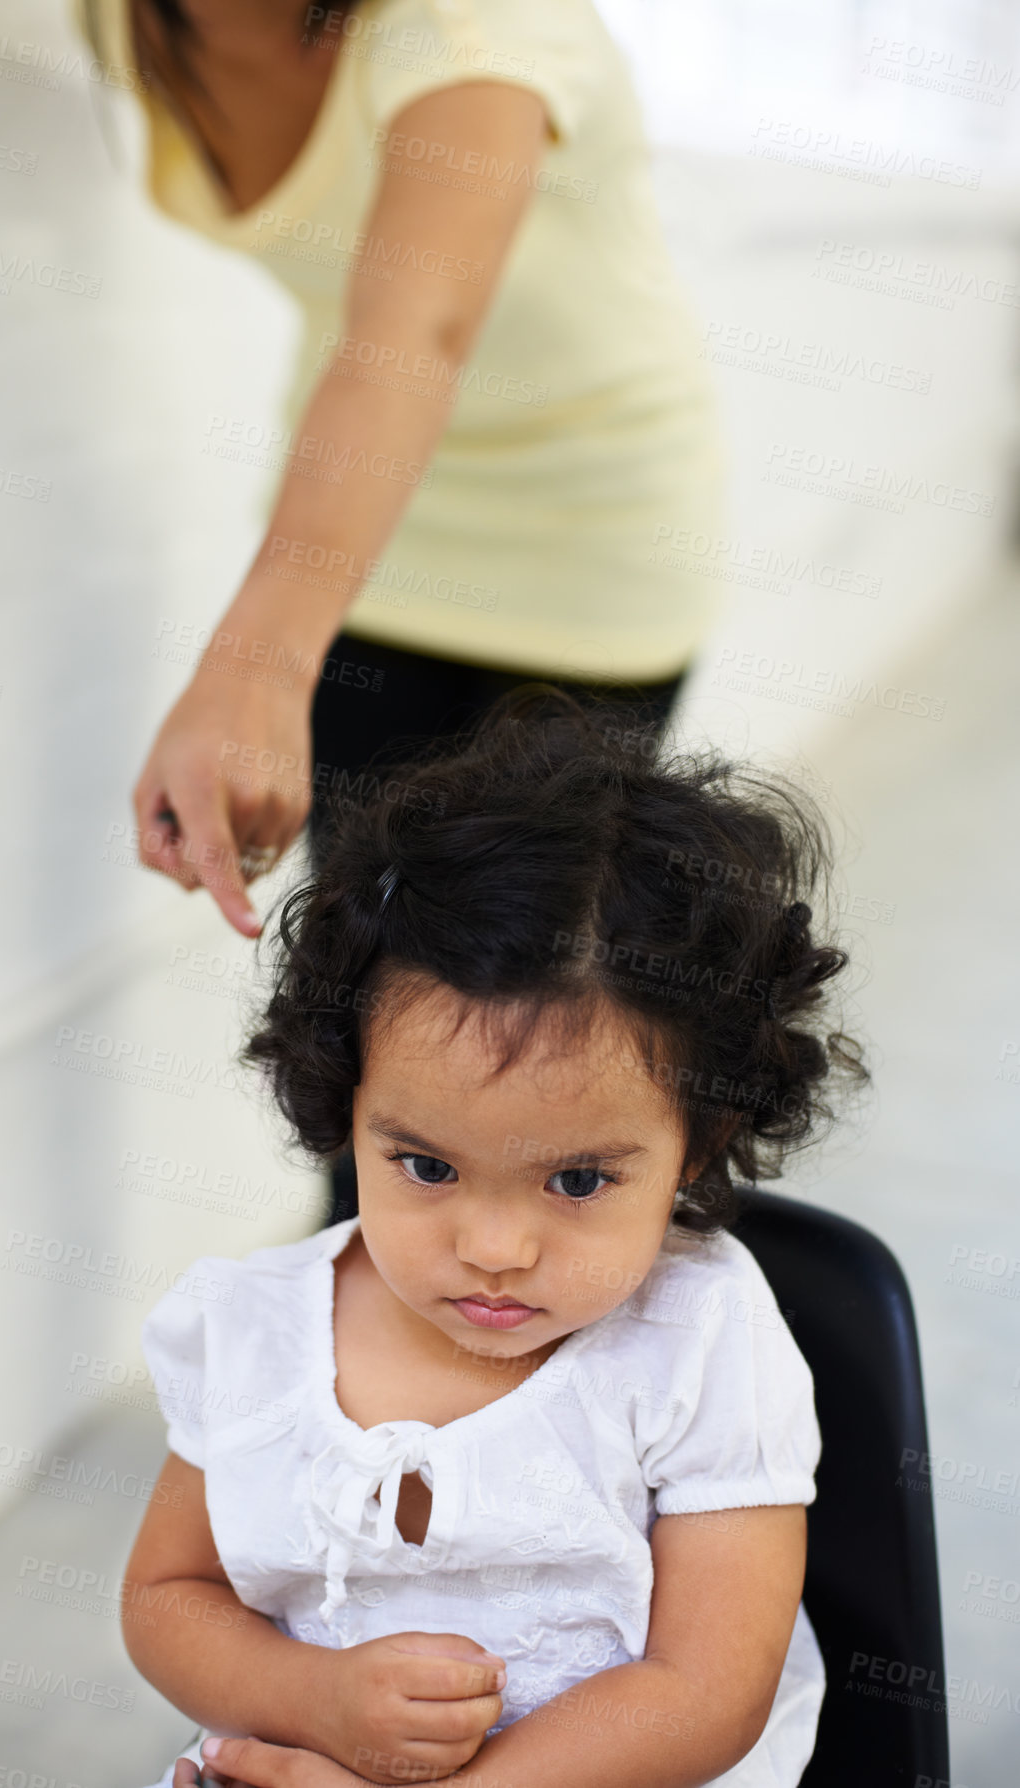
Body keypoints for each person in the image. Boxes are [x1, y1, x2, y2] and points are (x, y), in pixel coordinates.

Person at [121, 691, 867, 1788]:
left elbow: (707, 1691)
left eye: (576, 1179)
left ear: (698, 1142)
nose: (495, 1247)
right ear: (347, 1103)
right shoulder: (251, 1329)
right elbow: (165, 1598)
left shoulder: (700, 1335)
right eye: (425, 1166)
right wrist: (315, 1700)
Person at [75, 0, 725, 937]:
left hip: (582, 536)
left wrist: (254, 666)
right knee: (360, 963)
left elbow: (410, 337)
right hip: (364, 540)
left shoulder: (473, 22)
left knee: (514, 984)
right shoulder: (122, 16)